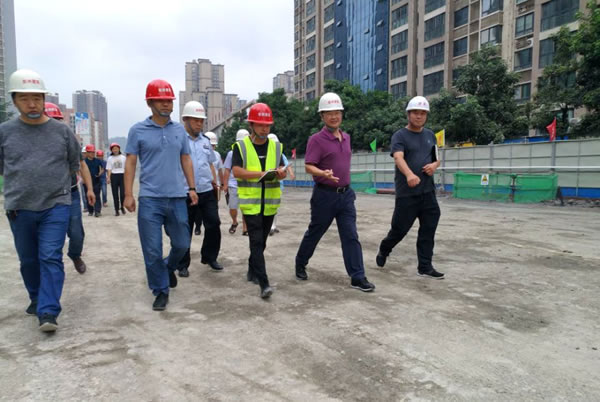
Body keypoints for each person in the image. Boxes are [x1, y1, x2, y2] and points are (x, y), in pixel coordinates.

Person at [0, 69, 81, 332]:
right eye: (24, 98)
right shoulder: (5, 132)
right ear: (14, 100)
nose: (32, 104)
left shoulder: (62, 132)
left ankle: (48, 311)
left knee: (50, 256)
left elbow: (73, 163)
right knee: (29, 260)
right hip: (19, 207)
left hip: (56, 205)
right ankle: (36, 297)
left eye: (36, 98)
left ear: (44, 99)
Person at [124, 79, 198, 311]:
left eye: (169, 100)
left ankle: (167, 268)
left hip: (177, 197)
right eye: (161, 100)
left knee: (182, 244)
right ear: (150, 103)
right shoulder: (137, 130)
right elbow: (131, 161)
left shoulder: (179, 130)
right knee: (152, 250)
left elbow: (186, 158)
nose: (166, 104)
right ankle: (160, 290)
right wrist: (128, 194)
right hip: (150, 199)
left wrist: (192, 188)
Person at [295, 92, 375, 292]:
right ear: (322, 116)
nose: (334, 116)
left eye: (337, 112)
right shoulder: (316, 140)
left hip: (346, 195)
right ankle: (300, 262)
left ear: (342, 114)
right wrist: (322, 173)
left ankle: (357, 276)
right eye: (329, 113)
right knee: (316, 232)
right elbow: (308, 166)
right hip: (325, 195)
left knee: (350, 235)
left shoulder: (346, 138)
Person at [375, 96, 444, 279]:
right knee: (399, 230)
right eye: (415, 113)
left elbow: (437, 158)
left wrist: (434, 166)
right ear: (408, 114)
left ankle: (425, 267)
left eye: (422, 113)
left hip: (428, 192)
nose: (419, 116)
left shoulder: (430, 135)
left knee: (428, 229)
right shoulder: (400, 136)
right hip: (407, 194)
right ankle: (385, 248)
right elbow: (398, 157)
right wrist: (409, 175)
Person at [231, 103, 286, 299]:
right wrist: (260, 174)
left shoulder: (276, 147)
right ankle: (264, 283)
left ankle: (251, 268)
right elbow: (237, 171)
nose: (264, 129)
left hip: (269, 204)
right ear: (252, 125)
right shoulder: (241, 147)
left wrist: (281, 173)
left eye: (267, 125)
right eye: (261, 125)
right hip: (251, 203)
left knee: (261, 242)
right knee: (255, 241)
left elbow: (281, 168)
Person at [44, 102, 95, 274]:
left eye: (57, 120)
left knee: (76, 233)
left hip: (71, 193)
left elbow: (82, 165)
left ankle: (75, 255)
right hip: (46, 196)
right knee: (52, 238)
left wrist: (89, 189)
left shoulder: (68, 140)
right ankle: (52, 268)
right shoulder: (36, 145)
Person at [177, 101, 223, 277]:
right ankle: (182, 264)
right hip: (185, 192)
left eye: (201, 120)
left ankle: (210, 257)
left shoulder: (205, 141)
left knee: (214, 223)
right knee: (185, 228)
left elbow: (210, 163)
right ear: (185, 120)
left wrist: (214, 181)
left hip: (206, 190)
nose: (199, 124)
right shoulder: (178, 140)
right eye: (195, 120)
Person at [194, 131, 223, 236]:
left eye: (214, 145)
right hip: (198, 185)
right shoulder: (198, 150)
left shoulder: (217, 155)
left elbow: (218, 169)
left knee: (213, 213)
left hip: (212, 186)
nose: (213, 147)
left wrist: (220, 183)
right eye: (212, 145)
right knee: (198, 209)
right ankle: (198, 226)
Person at [266, 133, 295, 236]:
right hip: (265, 184)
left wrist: (291, 173)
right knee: (267, 206)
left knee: (274, 206)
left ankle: (273, 226)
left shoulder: (280, 155)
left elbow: (287, 165)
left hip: (278, 184)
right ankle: (269, 225)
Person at [222, 129, 249, 235]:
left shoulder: (250, 153)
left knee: (245, 208)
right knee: (233, 207)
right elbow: (227, 170)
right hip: (233, 185)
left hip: (246, 185)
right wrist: (225, 184)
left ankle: (245, 228)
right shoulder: (231, 153)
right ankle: (234, 221)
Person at [83, 144, 104, 217]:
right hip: (86, 182)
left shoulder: (97, 160)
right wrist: (82, 179)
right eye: (90, 152)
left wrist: (100, 173)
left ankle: (97, 211)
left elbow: (102, 168)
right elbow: (80, 170)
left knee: (97, 196)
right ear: (87, 153)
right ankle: (91, 210)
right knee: (88, 196)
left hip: (96, 181)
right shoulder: (84, 161)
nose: (92, 154)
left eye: (93, 152)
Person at [106, 142, 126, 216]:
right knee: (115, 194)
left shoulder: (123, 157)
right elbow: (109, 169)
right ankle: (116, 210)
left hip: (122, 175)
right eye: (113, 149)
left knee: (122, 194)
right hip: (114, 176)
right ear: (111, 150)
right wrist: (108, 178)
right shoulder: (110, 158)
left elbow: (126, 168)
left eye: (116, 148)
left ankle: (122, 207)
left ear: (119, 149)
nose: (115, 150)